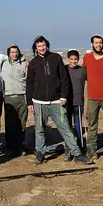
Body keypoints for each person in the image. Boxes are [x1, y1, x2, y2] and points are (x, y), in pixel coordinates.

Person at [26, 35, 90, 165]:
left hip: (56, 101)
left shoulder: (56, 58)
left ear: (47, 45)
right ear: (36, 48)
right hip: (38, 102)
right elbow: (29, 83)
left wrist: (63, 96)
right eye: (39, 46)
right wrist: (29, 102)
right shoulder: (33, 63)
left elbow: (63, 78)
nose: (42, 48)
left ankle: (77, 154)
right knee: (39, 129)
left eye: (43, 45)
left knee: (65, 128)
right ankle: (40, 153)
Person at [82, 34, 103, 160]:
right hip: (92, 97)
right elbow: (83, 74)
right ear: (92, 44)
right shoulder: (87, 58)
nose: (98, 45)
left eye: (100, 43)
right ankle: (92, 150)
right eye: (96, 43)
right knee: (92, 124)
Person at [0, 44, 28, 156]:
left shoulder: (24, 64)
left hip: (22, 96)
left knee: (22, 122)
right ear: (8, 54)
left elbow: (29, 79)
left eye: (16, 52)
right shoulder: (4, 64)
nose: (14, 54)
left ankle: (20, 146)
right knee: (10, 123)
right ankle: (10, 146)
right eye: (12, 52)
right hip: (8, 97)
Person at [65, 49, 87, 159]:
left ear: (78, 59)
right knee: (67, 127)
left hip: (78, 102)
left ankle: (81, 148)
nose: (73, 61)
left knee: (78, 127)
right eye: (71, 59)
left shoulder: (82, 71)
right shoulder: (64, 69)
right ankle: (68, 150)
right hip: (66, 103)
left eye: (75, 59)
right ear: (68, 59)